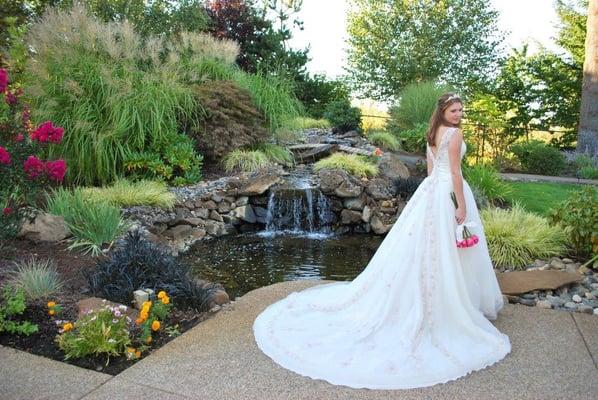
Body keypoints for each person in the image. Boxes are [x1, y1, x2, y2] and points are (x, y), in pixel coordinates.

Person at [253, 93, 511, 390]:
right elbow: (454, 171)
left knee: (426, 249)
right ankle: (451, 303)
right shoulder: (454, 134)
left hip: (431, 192)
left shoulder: (433, 133)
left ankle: (440, 297)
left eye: (461, 110)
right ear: (442, 111)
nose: (459, 114)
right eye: (454, 110)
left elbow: (430, 171)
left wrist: (433, 194)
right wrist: (460, 204)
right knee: (447, 249)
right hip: (448, 192)